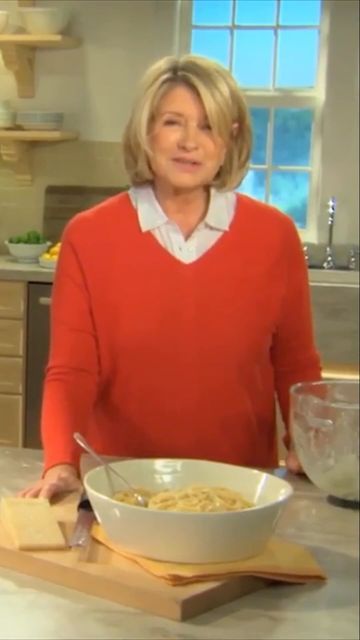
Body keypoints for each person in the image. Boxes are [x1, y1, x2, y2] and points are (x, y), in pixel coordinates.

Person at [21, 54, 321, 499]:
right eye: (172, 122)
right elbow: (71, 370)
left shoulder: (274, 235)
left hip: (241, 488)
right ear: (146, 132)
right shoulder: (89, 235)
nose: (189, 142)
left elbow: (295, 365)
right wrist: (61, 462)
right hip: (123, 486)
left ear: (230, 139)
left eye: (208, 126)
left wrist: (308, 448)